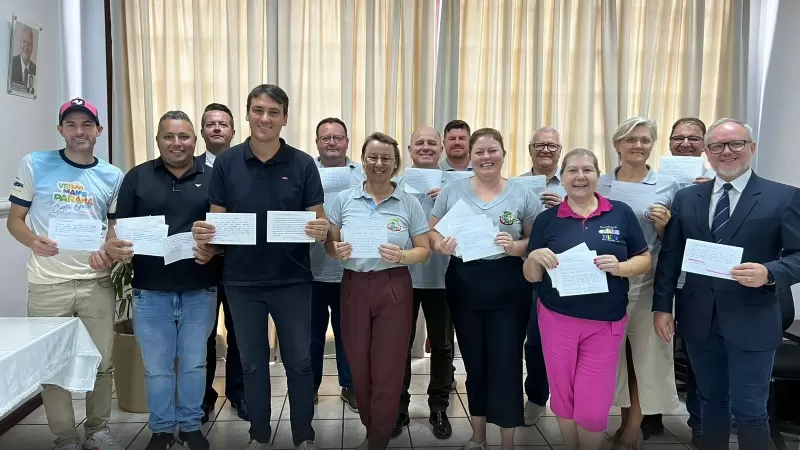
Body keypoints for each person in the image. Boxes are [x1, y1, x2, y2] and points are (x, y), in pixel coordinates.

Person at [192, 84, 329, 450]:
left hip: (293, 280)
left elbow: (320, 221)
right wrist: (206, 237)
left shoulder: (303, 163)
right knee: (252, 363)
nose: (264, 118)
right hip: (242, 282)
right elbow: (218, 224)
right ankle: (259, 434)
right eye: (258, 110)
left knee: (299, 362)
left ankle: (304, 435)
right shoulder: (226, 163)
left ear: (285, 118)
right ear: (248, 114)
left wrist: (321, 229)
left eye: (273, 112)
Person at [653, 118, 800, 450]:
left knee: (750, 410)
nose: (727, 152)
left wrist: (770, 272)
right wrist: (662, 308)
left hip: (752, 318)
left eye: (736, 144)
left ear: (752, 147)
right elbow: (671, 257)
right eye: (717, 145)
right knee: (710, 402)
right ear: (707, 152)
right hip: (698, 319)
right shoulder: (687, 198)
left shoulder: (783, 197)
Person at [6, 98, 123, 450]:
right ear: (61, 130)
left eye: (86, 125)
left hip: (96, 283)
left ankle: (98, 430)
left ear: (98, 130)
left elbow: (112, 228)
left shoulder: (112, 175)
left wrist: (109, 253)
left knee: (101, 361)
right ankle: (66, 437)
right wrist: (33, 241)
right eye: (71, 124)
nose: (79, 131)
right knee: (51, 365)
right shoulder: (35, 164)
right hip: (47, 284)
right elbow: (14, 221)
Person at [524, 148, 651, 450]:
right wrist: (534, 257)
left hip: (605, 322)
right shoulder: (547, 219)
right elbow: (531, 276)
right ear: (562, 177)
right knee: (563, 395)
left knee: (594, 404)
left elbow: (644, 260)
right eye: (572, 170)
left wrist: (621, 268)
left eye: (587, 170)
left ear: (598, 175)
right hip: (556, 319)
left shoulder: (620, 212)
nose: (580, 177)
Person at [105, 111, 219, 450]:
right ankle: (162, 429)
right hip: (150, 290)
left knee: (195, 364)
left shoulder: (215, 177)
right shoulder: (137, 177)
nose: (176, 143)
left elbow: (225, 229)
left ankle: (191, 426)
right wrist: (115, 246)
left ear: (194, 141)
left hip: (200, 289)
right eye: (169, 136)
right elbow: (117, 228)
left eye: (183, 136)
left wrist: (214, 249)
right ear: (158, 140)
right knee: (157, 368)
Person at [429, 128, 540, 450]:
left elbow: (535, 240)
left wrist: (515, 246)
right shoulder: (453, 191)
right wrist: (440, 246)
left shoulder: (522, 194)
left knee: (506, 362)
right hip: (464, 283)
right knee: (474, 361)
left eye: (493, 151)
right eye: (479, 152)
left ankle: (507, 441)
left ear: (504, 154)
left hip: (509, 285)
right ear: (471, 156)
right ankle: (478, 436)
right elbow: (432, 233)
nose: (486, 157)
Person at [324, 132, 431, 450]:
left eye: (386, 158)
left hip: (393, 285)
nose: (379, 163)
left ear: (396, 163)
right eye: (372, 157)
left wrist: (402, 255)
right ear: (363, 160)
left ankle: (378, 439)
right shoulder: (345, 199)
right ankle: (372, 428)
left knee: (388, 366)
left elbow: (423, 250)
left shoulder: (408, 202)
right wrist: (335, 250)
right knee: (359, 364)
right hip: (354, 286)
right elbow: (330, 244)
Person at [596, 117, 681, 450]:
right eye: (630, 140)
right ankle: (622, 421)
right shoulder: (600, 183)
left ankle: (633, 429)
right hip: (606, 282)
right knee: (616, 359)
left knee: (645, 359)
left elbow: (675, 241)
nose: (638, 146)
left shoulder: (669, 186)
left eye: (645, 140)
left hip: (648, 282)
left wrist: (664, 227)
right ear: (617, 145)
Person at [641, 117, 712, 443]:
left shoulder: (717, 181)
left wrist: (708, 194)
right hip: (663, 277)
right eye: (678, 138)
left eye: (693, 138)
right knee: (654, 347)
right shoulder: (656, 183)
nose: (685, 144)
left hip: (702, 280)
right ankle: (650, 415)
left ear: (705, 144)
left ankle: (700, 422)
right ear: (668, 143)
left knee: (700, 353)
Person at [393, 126, 455, 439]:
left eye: (432, 143)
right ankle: (399, 408)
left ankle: (439, 407)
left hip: (442, 278)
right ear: (410, 149)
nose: (426, 147)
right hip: (402, 276)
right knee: (399, 346)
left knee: (442, 346)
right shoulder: (394, 184)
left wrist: (450, 202)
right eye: (420, 143)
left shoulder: (456, 185)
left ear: (441, 149)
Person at [197, 102, 248, 423]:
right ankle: (203, 397)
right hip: (200, 264)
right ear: (202, 131)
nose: (217, 128)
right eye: (210, 124)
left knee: (240, 332)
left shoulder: (247, 166)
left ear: (233, 131)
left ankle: (239, 394)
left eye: (223, 124)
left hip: (240, 263)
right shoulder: (188, 167)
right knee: (203, 334)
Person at [309, 117, 362, 410]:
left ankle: (351, 386)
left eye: (338, 138)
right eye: (326, 138)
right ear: (317, 143)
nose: (332, 143)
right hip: (309, 271)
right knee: (311, 337)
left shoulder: (362, 173)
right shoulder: (304, 170)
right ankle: (309, 388)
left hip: (350, 270)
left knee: (349, 335)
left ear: (347, 142)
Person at [517, 126, 564, 427]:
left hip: (562, 275)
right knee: (531, 342)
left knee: (559, 342)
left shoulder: (574, 183)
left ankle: (566, 399)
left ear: (560, 150)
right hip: (522, 272)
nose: (545, 150)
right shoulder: (515, 185)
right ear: (530, 149)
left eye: (551, 146)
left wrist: (565, 208)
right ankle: (535, 398)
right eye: (539, 145)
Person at [10, 25, 36, 93]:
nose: (26, 47)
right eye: (24, 42)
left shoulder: (35, 69)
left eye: (29, 43)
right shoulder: (11, 63)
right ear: (20, 43)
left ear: (32, 47)